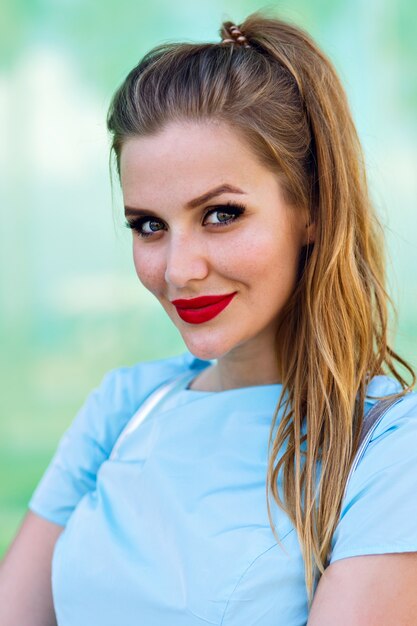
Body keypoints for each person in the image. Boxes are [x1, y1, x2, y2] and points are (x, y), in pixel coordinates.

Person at [1, 10, 417, 626]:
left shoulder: (389, 446)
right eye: (149, 225)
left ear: (311, 210)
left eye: (221, 214)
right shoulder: (122, 410)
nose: (178, 269)